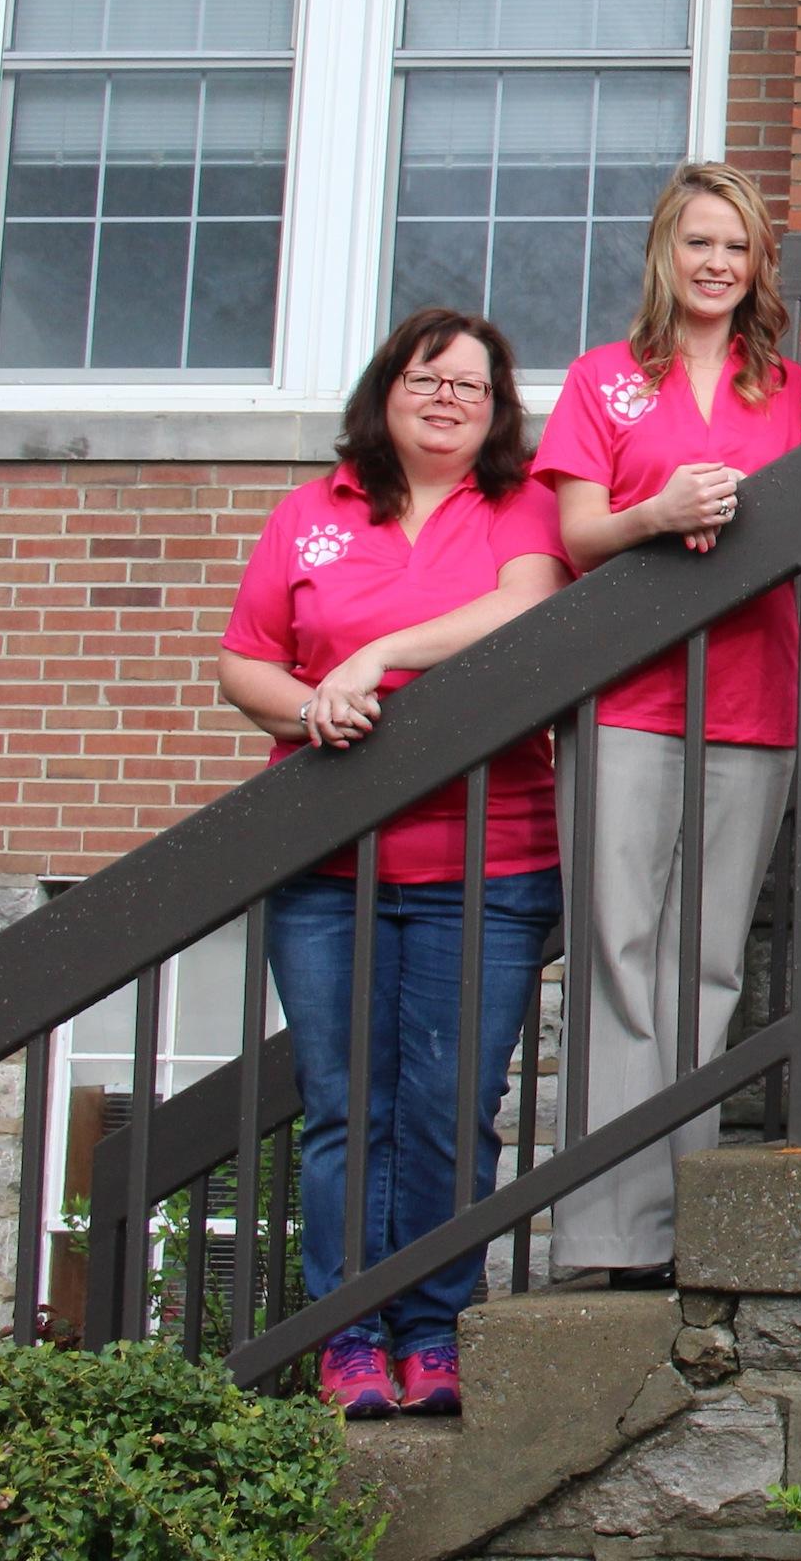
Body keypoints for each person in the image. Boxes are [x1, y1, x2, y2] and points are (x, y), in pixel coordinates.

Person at [217, 309, 569, 1419]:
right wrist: (313, 705)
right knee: (343, 1110)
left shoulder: (525, 510)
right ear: (389, 390)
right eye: (428, 378)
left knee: (452, 1111)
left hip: (492, 864)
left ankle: (434, 1334)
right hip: (327, 871)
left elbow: (525, 609)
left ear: (497, 409)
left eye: (473, 385)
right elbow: (243, 664)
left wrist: (372, 654)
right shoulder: (308, 515)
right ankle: (348, 1339)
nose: (448, 397)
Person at [534, 163, 801, 1281]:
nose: (716, 264)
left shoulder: (795, 392)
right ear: (666, 252)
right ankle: (604, 1232)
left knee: (702, 965)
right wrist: (651, 513)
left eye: (737, 247)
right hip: (627, 700)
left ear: (759, 267)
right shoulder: (604, 379)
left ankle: (675, 1226)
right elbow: (574, 534)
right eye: (698, 242)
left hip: (756, 699)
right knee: (616, 951)